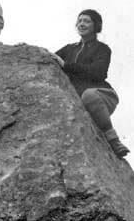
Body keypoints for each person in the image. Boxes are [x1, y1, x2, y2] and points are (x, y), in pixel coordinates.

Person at [51, 9, 129, 158]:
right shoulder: (69, 49)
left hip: (103, 95)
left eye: (86, 21)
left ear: (96, 26)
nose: (81, 24)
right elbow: (51, 57)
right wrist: (29, 50)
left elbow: (98, 73)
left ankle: (114, 140)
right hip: (82, 98)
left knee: (89, 95)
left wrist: (67, 66)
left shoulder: (103, 49)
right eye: (79, 21)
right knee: (84, 97)